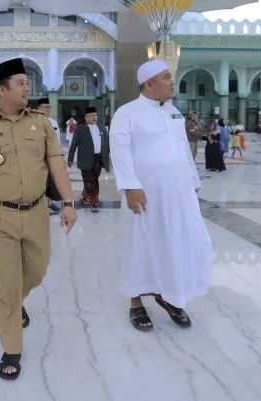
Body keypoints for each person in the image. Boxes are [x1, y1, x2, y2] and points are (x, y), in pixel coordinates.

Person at [0, 57, 78, 381]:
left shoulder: (41, 124)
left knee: (37, 271)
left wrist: (68, 202)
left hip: (36, 211)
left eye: (27, 82)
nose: (28, 88)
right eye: (21, 83)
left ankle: (14, 301)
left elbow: (57, 165)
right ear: (2, 89)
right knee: (5, 285)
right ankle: (12, 348)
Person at [109, 59, 214, 333]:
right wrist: (130, 186)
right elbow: (119, 152)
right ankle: (136, 302)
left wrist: (192, 182)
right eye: (166, 77)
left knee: (175, 243)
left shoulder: (174, 113)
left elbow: (182, 151)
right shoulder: (127, 113)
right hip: (144, 194)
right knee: (140, 243)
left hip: (178, 194)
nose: (171, 82)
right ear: (149, 83)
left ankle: (170, 296)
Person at [67, 106, 111, 212]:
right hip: (85, 159)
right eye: (91, 115)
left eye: (95, 115)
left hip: (98, 159)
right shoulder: (81, 128)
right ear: (86, 117)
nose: (94, 117)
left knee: (94, 179)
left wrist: (109, 157)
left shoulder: (101, 128)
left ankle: (85, 194)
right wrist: (70, 158)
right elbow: (73, 144)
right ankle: (94, 202)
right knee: (91, 181)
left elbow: (107, 144)